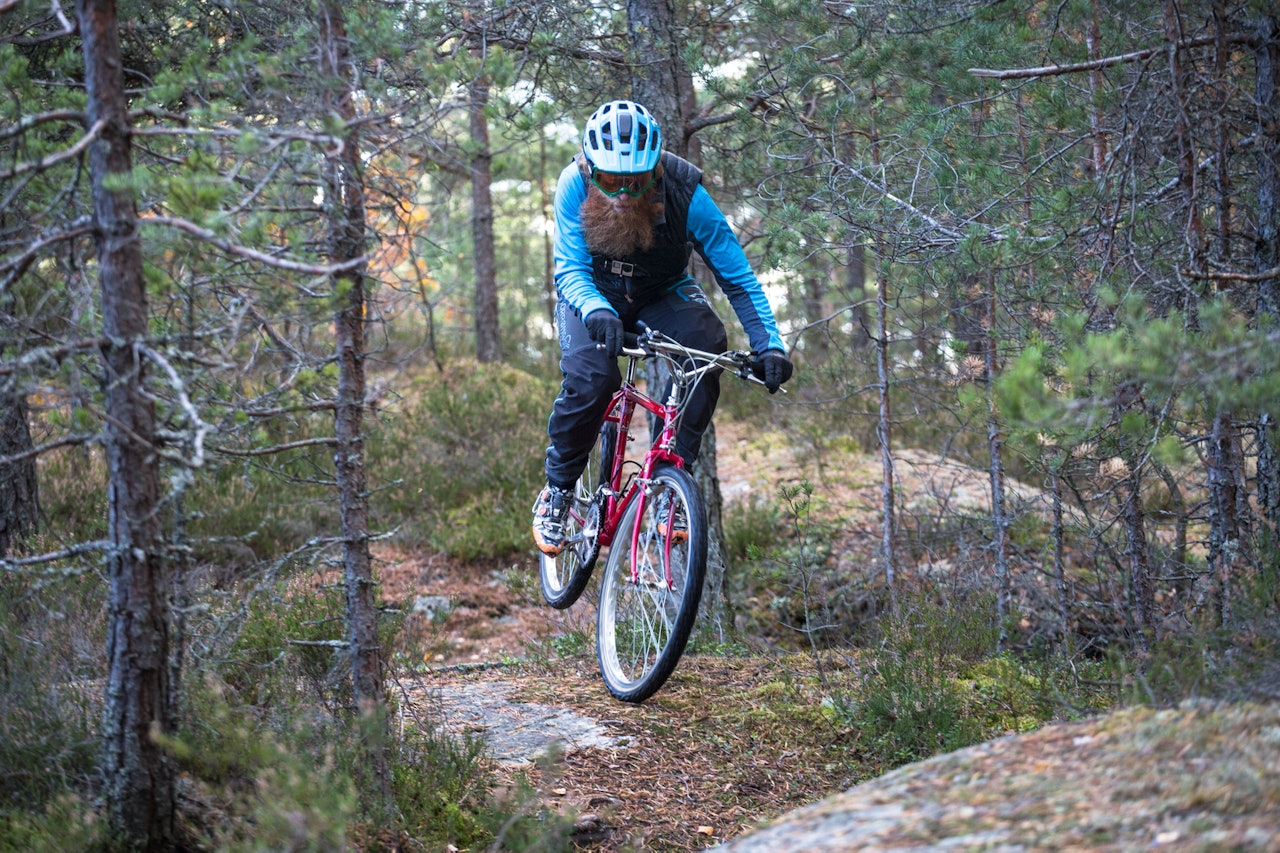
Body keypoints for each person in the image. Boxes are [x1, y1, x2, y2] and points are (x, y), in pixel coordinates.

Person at [532, 99, 793, 556]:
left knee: (707, 346)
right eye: (611, 180)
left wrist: (769, 344)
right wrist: (595, 309)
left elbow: (737, 276)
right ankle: (558, 490)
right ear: (592, 169)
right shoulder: (573, 183)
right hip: (590, 294)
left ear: (655, 171)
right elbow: (570, 267)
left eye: (635, 181)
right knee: (594, 378)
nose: (623, 195)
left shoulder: (687, 193)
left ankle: (669, 486)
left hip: (661, 291)